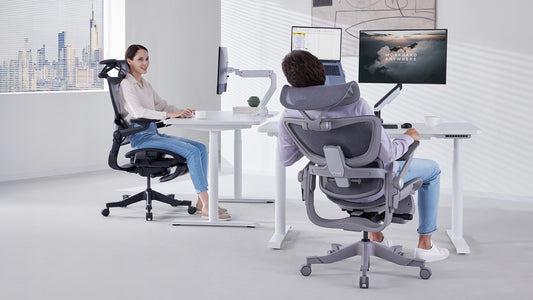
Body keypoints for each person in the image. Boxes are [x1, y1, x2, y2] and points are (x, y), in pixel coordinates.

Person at [278, 50, 448, 262]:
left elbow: (286, 159)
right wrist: (408, 137)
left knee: (364, 168)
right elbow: (389, 156)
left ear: (290, 81)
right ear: (322, 72)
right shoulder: (356, 104)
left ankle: (376, 237)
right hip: (375, 187)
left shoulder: (289, 114)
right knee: (433, 170)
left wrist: (312, 140)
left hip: (335, 188)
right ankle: (425, 245)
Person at [119, 44, 230, 220]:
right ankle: (208, 204)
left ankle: (201, 202)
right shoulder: (127, 84)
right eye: (140, 59)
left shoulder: (145, 84)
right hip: (140, 136)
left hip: (153, 132)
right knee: (191, 152)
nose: (145, 63)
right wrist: (169, 114)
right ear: (129, 61)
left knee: (201, 147)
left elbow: (162, 105)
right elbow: (138, 112)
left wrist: (182, 112)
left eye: (147, 59)